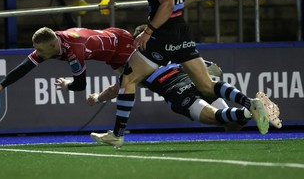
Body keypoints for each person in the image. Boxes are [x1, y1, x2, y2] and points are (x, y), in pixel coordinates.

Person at [93, 0, 281, 146]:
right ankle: (250, 103)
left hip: (162, 35)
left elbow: (167, 3)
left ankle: (117, 135)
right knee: (207, 85)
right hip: (182, 31)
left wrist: (149, 30)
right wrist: (174, 16)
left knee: (128, 79)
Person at [89, 60, 282, 147]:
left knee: (216, 118)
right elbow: (213, 68)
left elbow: (114, 90)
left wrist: (96, 98)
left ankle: (248, 111)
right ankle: (249, 105)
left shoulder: (135, 68)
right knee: (232, 125)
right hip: (196, 81)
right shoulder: (168, 53)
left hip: (176, 93)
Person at [0, 26, 135, 100]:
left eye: (39, 50)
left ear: (52, 46)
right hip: (111, 46)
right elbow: (25, 67)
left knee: (137, 82)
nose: (37, 54)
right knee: (127, 84)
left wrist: (66, 84)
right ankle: (115, 130)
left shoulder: (73, 51)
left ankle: (116, 133)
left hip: (121, 45)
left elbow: (80, 85)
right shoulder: (50, 45)